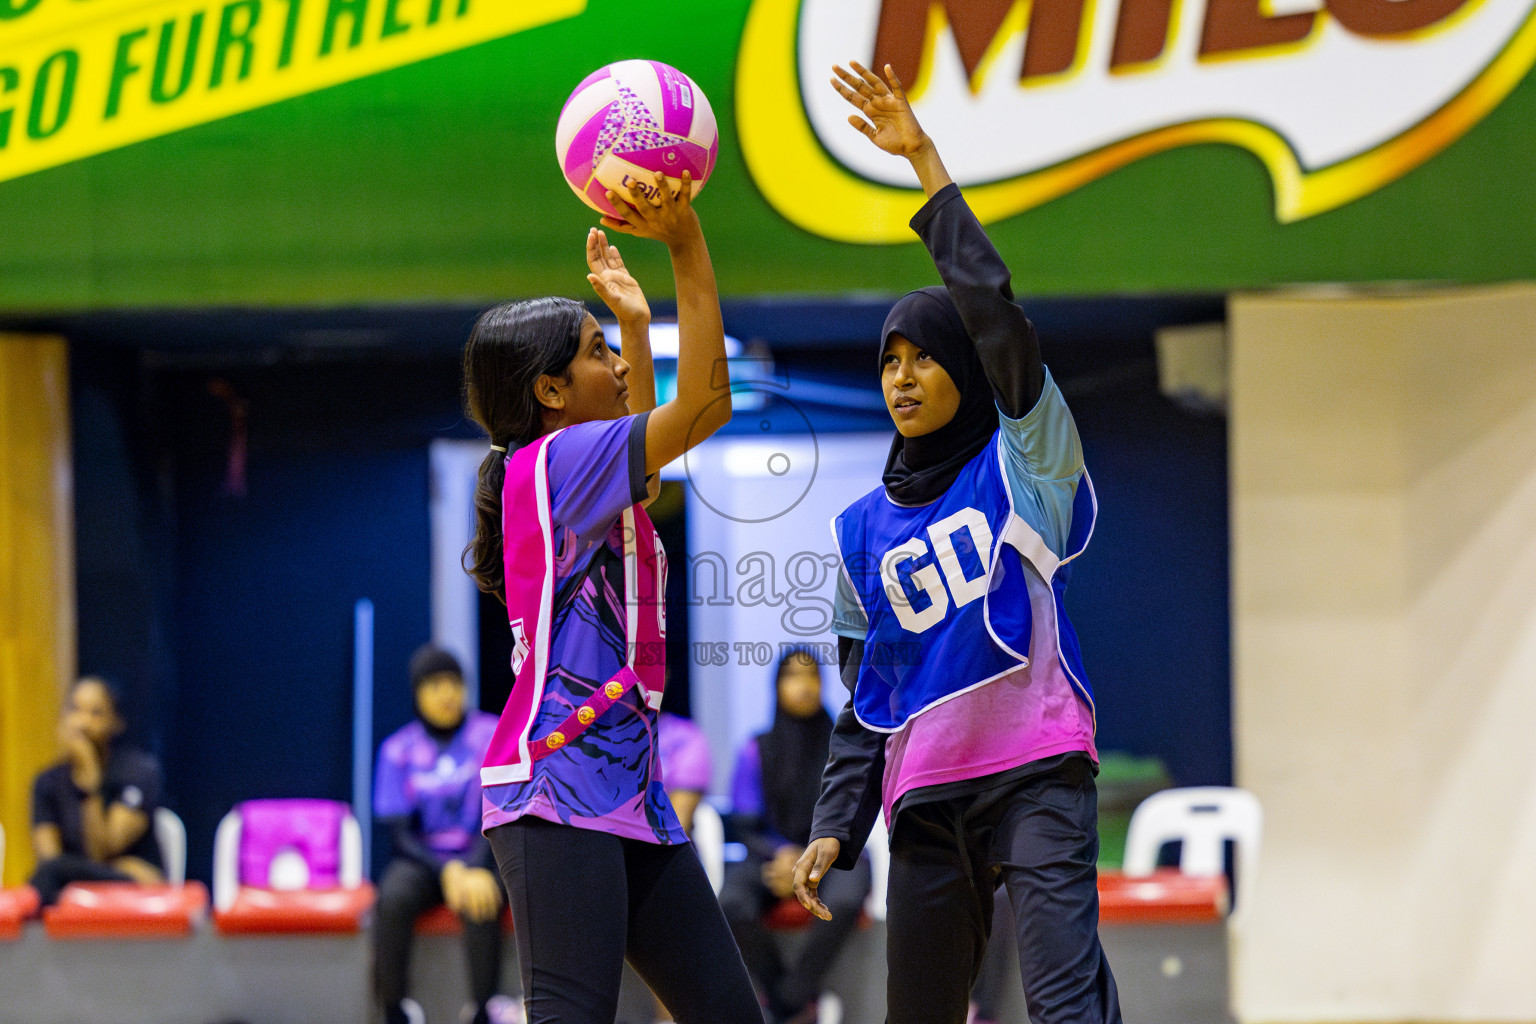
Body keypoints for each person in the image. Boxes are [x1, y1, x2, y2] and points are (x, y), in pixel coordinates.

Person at [791, 63, 1123, 1024]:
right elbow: (873, 696)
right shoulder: (860, 530)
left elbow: (997, 317)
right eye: (888, 360)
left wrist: (926, 169)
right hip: (928, 800)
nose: (902, 376)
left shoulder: (1024, 458)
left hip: (1039, 773)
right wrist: (836, 826)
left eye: (925, 355)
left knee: (1064, 1006)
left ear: (968, 369)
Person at [461, 171, 760, 1024]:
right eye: (598, 354)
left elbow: (660, 441)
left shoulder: (575, 472)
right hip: (556, 781)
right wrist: (686, 244)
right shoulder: (559, 463)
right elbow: (706, 405)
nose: (620, 368)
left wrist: (633, 321)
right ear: (549, 392)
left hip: (630, 788)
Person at [722, 648, 871, 1024]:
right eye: (793, 676)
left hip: (836, 855)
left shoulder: (844, 748)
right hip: (772, 856)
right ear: (777, 686)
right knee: (731, 902)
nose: (803, 686)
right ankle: (791, 1000)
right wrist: (784, 857)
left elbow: (853, 811)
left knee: (850, 896)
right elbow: (743, 822)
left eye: (812, 677)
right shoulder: (756, 748)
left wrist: (810, 859)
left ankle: (784, 1002)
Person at [373, 644, 509, 1024]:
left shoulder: (492, 734)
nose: (447, 693)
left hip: (484, 852)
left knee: (483, 895)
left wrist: (474, 868)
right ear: (418, 693)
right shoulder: (397, 749)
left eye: (454, 682)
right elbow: (400, 834)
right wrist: (447, 871)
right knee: (393, 894)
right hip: (425, 861)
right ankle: (395, 1007)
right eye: (435, 685)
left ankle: (484, 1009)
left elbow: (503, 810)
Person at [30, 676, 164, 906]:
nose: (82, 723)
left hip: (133, 892)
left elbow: (103, 849)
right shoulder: (48, 782)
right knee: (45, 879)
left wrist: (90, 784)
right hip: (72, 888)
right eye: (75, 710)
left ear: (116, 722)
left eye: (96, 713)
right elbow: (50, 861)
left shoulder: (138, 772)